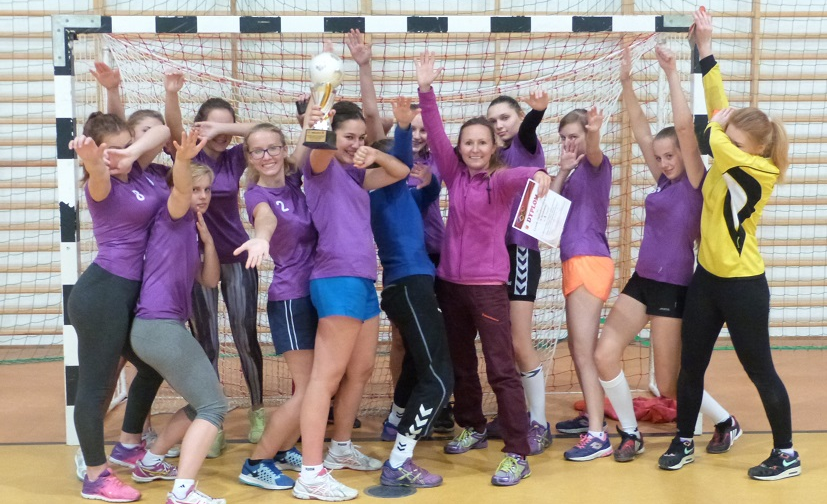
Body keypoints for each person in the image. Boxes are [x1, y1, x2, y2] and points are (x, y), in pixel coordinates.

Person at [658, 8, 799, 481]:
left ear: (754, 149)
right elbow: (720, 108)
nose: (729, 141)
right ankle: (684, 440)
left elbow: (714, 134)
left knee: (761, 370)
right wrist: (705, 47)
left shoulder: (759, 169)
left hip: (743, 287)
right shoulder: (734, 150)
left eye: (738, 140)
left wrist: (720, 125)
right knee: (691, 367)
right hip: (709, 279)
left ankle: (786, 453)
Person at [594, 44, 736, 463]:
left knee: (671, 386)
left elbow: (686, 130)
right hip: (642, 282)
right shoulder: (663, 180)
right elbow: (641, 130)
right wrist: (626, 81)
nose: (664, 162)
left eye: (670, 155)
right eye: (660, 158)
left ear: (684, 155)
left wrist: (673, 72)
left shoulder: (695, 182)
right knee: (604, 354)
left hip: (675, 288)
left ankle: (726, 421)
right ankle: (630, 433)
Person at [416, 50, 551, 486]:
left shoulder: (501, 179)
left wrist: (540, 176)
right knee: (461, 365)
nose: (474, 148)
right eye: (468, 143)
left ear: (494, 148)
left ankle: (517, 451)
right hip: (450, 285)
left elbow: (527, 174)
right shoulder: (454, 175)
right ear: (460, 149)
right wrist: (425, 90)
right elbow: (435, 131)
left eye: (482, 142)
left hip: (488, 288)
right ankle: (471, 426)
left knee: (501, 369)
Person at [292, 95, 409, 500]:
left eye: (361, 137)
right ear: (332, 134)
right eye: (348, 136)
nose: (355, 143)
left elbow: (400, 171)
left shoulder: (356, 175)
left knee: (359, 371)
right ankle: (311, 473)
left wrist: (373, 153)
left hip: (362, 280)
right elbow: (319, 146)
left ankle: (340, 447)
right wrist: (319, 109)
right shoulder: (319, 166)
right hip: (335, 277)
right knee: (325, 379)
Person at [67, 112, 170, 502]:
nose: (121, 154)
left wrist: (129, 152)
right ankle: (95, 476)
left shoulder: (137, 171)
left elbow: (162, 130)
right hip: (103, 295)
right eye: (112, 150)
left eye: (126, 145)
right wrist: (95, 160)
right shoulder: (102, 184)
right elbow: (97, 170)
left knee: (152, 366)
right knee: (95, 387)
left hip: (128, 294)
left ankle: (128, 445)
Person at [128, 130, 230, 504]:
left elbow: (210, 280)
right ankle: (183, 492)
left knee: (202, 401)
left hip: (159, 329)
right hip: (159, 328)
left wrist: (209, 243)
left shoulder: (191, 226)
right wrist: (183, 160)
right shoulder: (171, 215)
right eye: (195, 189)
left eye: (207, 190)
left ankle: (151, 461)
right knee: (214, 408)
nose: (201, 196)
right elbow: (181, 191)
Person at [165, 73, 266, 447]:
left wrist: (225, 128)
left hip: (236, 255)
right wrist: (172, 94)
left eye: (227, 126)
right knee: (205, 341)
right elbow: (172, 128)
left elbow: (264, 131)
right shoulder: (189, 153)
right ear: (199, 127)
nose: (221, 134)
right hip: (196, 259)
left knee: (244, 336)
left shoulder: (237, 156)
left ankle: (258, 411)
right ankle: (213, 420)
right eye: (213, 125)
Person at [369, 96, 453, 488]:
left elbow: (429, 192)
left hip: (414, 283)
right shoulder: (380, 192)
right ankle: (399, 461)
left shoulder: (401, 194)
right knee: (439, 379)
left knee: (421, 366)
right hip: (408, 285)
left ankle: (394, 422)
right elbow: (400, 163)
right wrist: (402, 128)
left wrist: (429, 177)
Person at [237, 121, 319, 492]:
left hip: (314, 293)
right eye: (258, 150)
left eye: (273, 148)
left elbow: (309, 139)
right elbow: (265, 220)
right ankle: (256, 463)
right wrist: (261, 239)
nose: (266, 156)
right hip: (290, 299)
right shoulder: (257, 195)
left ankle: (285, 448)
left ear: (284, 149)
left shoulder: (295, 180)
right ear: (249, 157)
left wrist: (315, 111)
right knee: (310, 390)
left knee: (316, 385)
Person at [484, 90, 552, 454]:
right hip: (496, 254)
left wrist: (537, 112)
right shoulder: (494, 157)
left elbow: (528, 130)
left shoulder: (526, 147)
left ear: (519, 118)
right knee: (503, 342)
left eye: (504, 118)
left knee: (520, 341)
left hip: (521, 250)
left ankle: (539, 422)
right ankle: (514, 415)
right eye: (493, 120)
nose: (499, 125)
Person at [550, 105, 614, 461]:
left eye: (573, 136)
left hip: (589, 260)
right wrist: (562, 169)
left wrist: (593, 133)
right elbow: (550, 207)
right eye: (563, 138)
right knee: (577, 347)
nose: (568, 143)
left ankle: (598, 435)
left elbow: (594, 151)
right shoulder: (573, 172)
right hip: (575, 261)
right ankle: (592, 416)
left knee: (584, 352)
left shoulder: (595, 164)